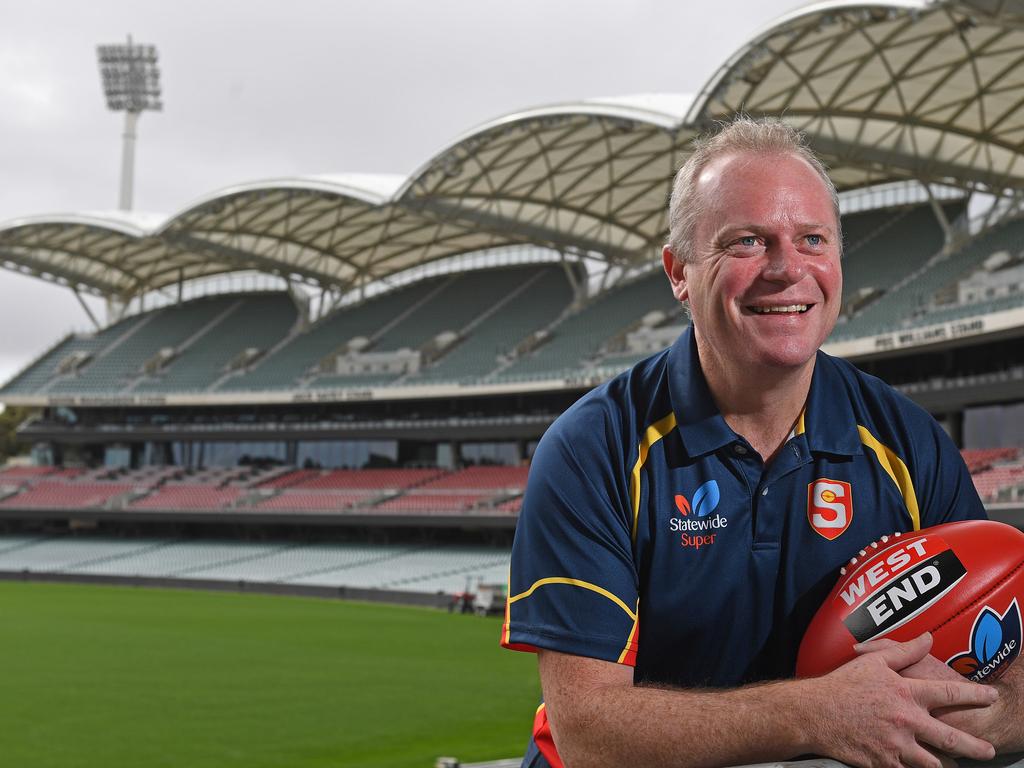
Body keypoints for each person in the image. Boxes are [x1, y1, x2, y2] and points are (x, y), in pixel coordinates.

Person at [501, 117, 1024, 768]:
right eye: (747, 241)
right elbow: (588, 732)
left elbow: (1012, 673)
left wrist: (980, 718)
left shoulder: (907, 442)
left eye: (812, 239)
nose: (787, 270)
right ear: (679, 272)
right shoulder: (593, 449)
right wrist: (816, 712)